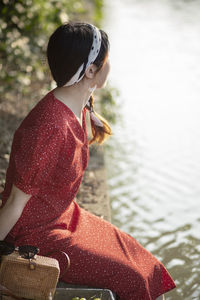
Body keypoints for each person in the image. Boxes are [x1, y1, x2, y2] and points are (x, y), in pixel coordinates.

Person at [0, 21, 176, 300]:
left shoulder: (77, 106)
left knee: (146, 265)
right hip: (36, 235)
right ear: (90, 70)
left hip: (64, 216)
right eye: (106, 59)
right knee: (135, 279)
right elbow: (14, 203)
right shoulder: (50, 125)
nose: (111, 64)